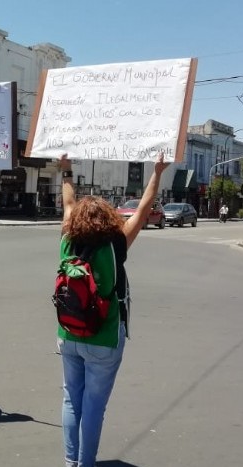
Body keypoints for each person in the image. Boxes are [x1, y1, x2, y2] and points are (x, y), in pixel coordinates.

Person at [57, 152, 168, 467]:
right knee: (93, 406)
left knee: (70, 399)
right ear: (108, 218)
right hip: (104, 336)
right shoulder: (117, 242)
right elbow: (144, 209)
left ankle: (70, 461)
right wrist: (157, 172)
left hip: (67, 330)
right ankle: (86, 463)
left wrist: (66, 171)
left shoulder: (67, 237)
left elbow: (68, 203)